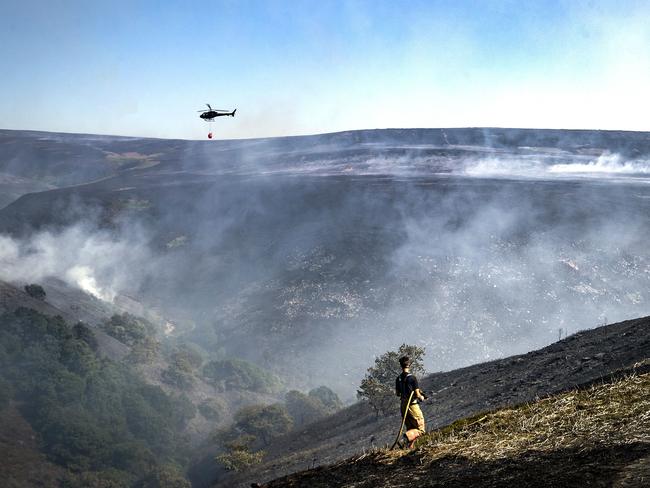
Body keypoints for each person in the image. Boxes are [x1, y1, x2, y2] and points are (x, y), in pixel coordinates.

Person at [395, 355, 426, 448]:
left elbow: (397, 393)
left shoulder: (398, 378)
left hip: (403, 406)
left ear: (401, 365)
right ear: (409, 365)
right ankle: (403, 440)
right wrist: (422, 397)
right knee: (421, 430)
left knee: (411, 428)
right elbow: (417, 395)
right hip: (412, 405)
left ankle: (409, 448)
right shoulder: (412, 378)